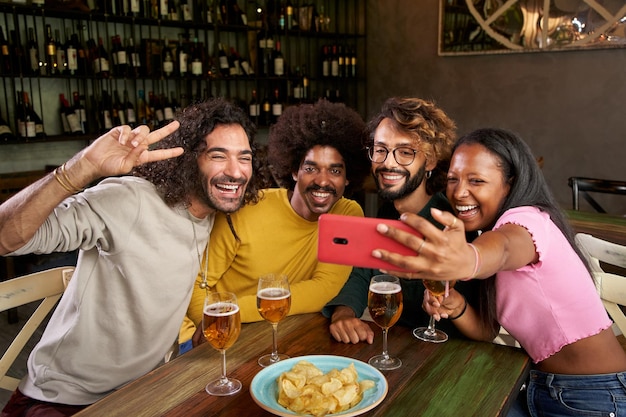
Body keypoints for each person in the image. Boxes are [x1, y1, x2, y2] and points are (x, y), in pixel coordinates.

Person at [0, 98, 260, 416]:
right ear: (190, 160)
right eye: (218, 156)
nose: (235, 172)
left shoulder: (215, 214)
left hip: (145, 392)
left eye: (243, 158)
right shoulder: (129, 200)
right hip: (64, 400)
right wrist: (80, 168)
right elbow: (5, 240)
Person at [372, 127, 626, 417]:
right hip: (539, 386)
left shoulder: (527, 220)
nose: (459, 192)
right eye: (453, 180)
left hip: (595, 396)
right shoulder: (489, 230)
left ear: (510, 183)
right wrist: (456, 306)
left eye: (477, 181)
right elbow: (486, 330)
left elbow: (503, 248)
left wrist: (469, 259)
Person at [181, 98, 371, 349]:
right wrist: (215, 320)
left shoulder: (348, 215)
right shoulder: (247, 207)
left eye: (335, 171)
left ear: (348, 179)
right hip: (206, 332)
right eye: (311, 168)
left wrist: (234, 313)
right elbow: (195, 283)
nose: (323, 181)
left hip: (268, 331)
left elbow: (323, 289)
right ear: (294, 171)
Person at [322, 96, 480, 344]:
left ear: (430, 160)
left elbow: (477, 319)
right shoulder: (387, 212)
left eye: (405, 152)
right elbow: (364, 271)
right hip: (400, 346)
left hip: (451, 356)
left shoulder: (451, 223)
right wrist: (343, 313)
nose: (388, 163)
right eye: (380, 150)